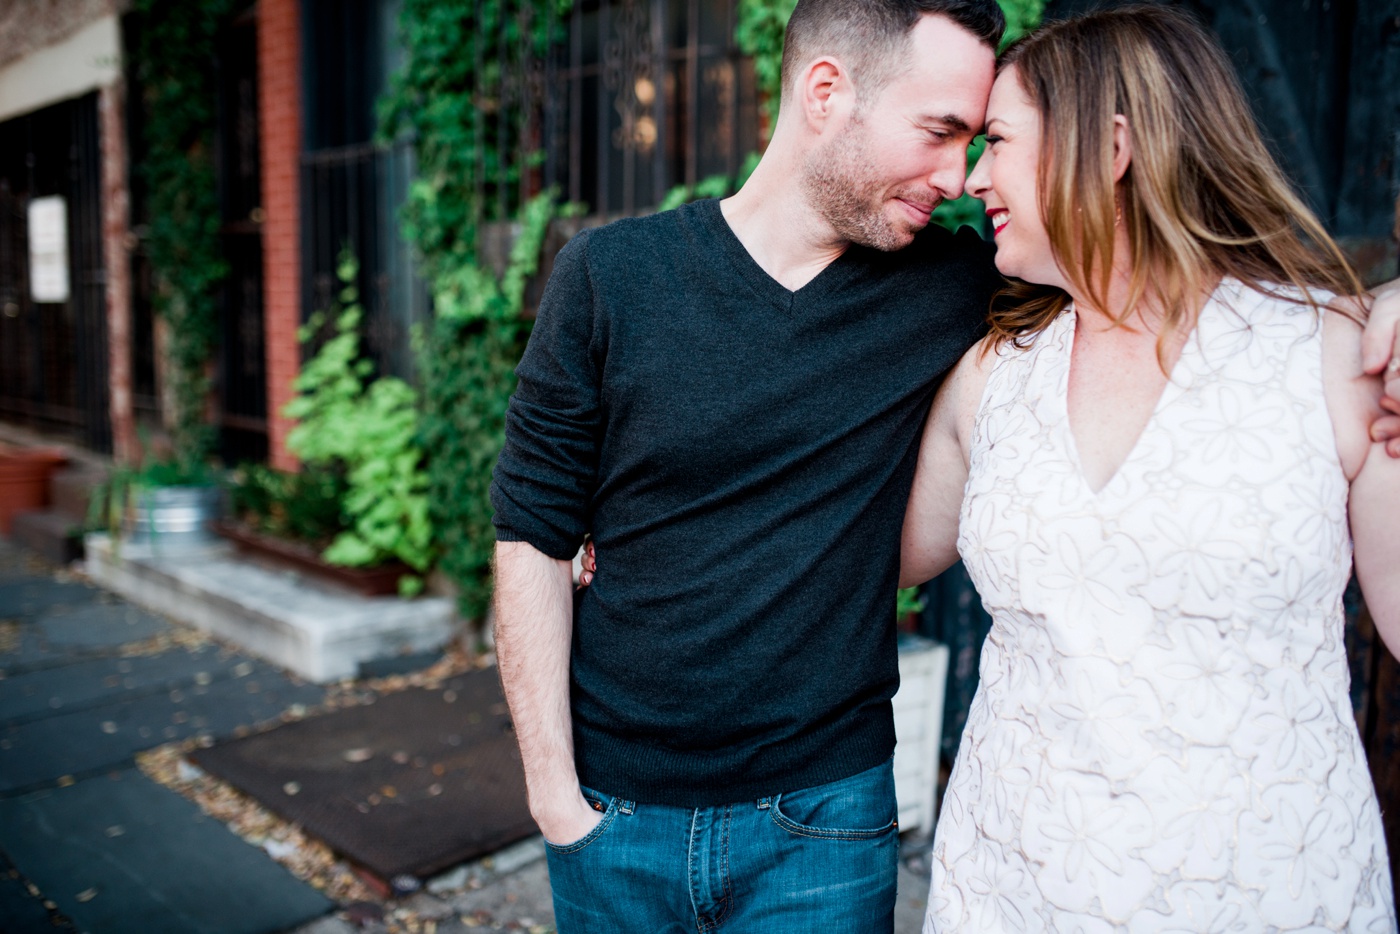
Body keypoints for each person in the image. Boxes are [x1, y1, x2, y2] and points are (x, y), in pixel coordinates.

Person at [492, 0, 1400, 930]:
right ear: (826, 92)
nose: (961, 177)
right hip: (641, 815)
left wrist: (1390, 308)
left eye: (984, 140)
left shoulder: (966, 289)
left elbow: (1163, 271)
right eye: (942, 132)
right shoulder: (614, 276)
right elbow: (531, 533)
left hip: (832, 819)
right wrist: (559, 804)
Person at [897, 7, 1400, 930]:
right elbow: (867, 551)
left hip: (1269, 899)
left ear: (1112, 146)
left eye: (997, 141)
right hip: (1010, 894)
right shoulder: (993, 379)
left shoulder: (1332, 355)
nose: (971, 178)